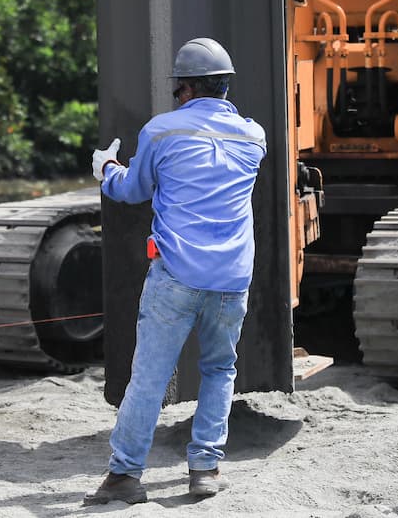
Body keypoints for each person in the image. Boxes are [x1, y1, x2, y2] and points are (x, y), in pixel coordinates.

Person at [85, 37, 267, 506]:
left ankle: (125, 477)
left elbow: (130, 190)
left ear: (184, 88)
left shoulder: (162, 131)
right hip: (232, 278)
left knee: (148, 376)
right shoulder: (254, 136)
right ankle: (204, 469)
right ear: (225, 87)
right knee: (219, 370)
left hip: (176, 276)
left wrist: (106, 167)